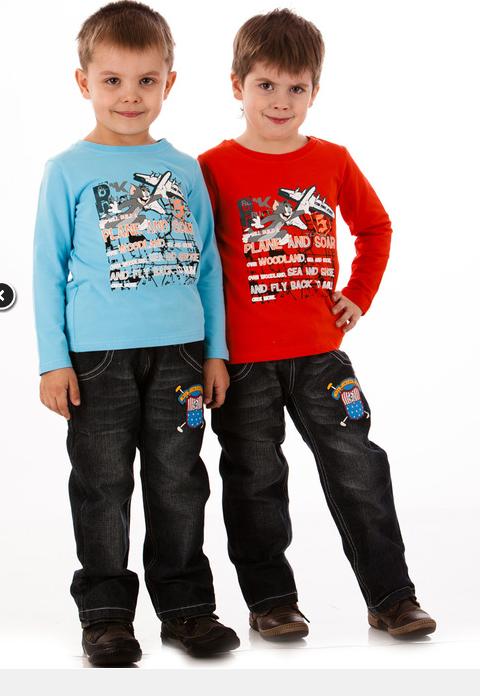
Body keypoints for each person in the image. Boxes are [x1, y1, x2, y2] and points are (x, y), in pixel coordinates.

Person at [198, 8, 436, 642]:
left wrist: (358, 295)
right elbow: (196, 266)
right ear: (237, 85)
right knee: (254, 482)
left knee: (360, 470)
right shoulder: (211, 168)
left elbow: (375, 227)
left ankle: (393, 598)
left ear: (315, 92)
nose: (281, 101)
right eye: (265, 85)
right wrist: (210, 353)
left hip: (321, 356)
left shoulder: (332, 159)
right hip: (243, 362)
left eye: (295, 87)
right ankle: (271, 602)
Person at [33, 0, 239, 665]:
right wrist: (52, 360)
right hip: (97, 360)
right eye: (113, 80)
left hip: (181, 355)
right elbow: (47, 269)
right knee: (102, 485)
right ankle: (106, 617)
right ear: (83, 82)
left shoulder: (185, 168)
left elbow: (208, 266)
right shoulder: (67, 169)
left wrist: (215, 353)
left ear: (168, 83)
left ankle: (186, 610)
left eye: (146, 80)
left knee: (179, 481)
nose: (130, 95)